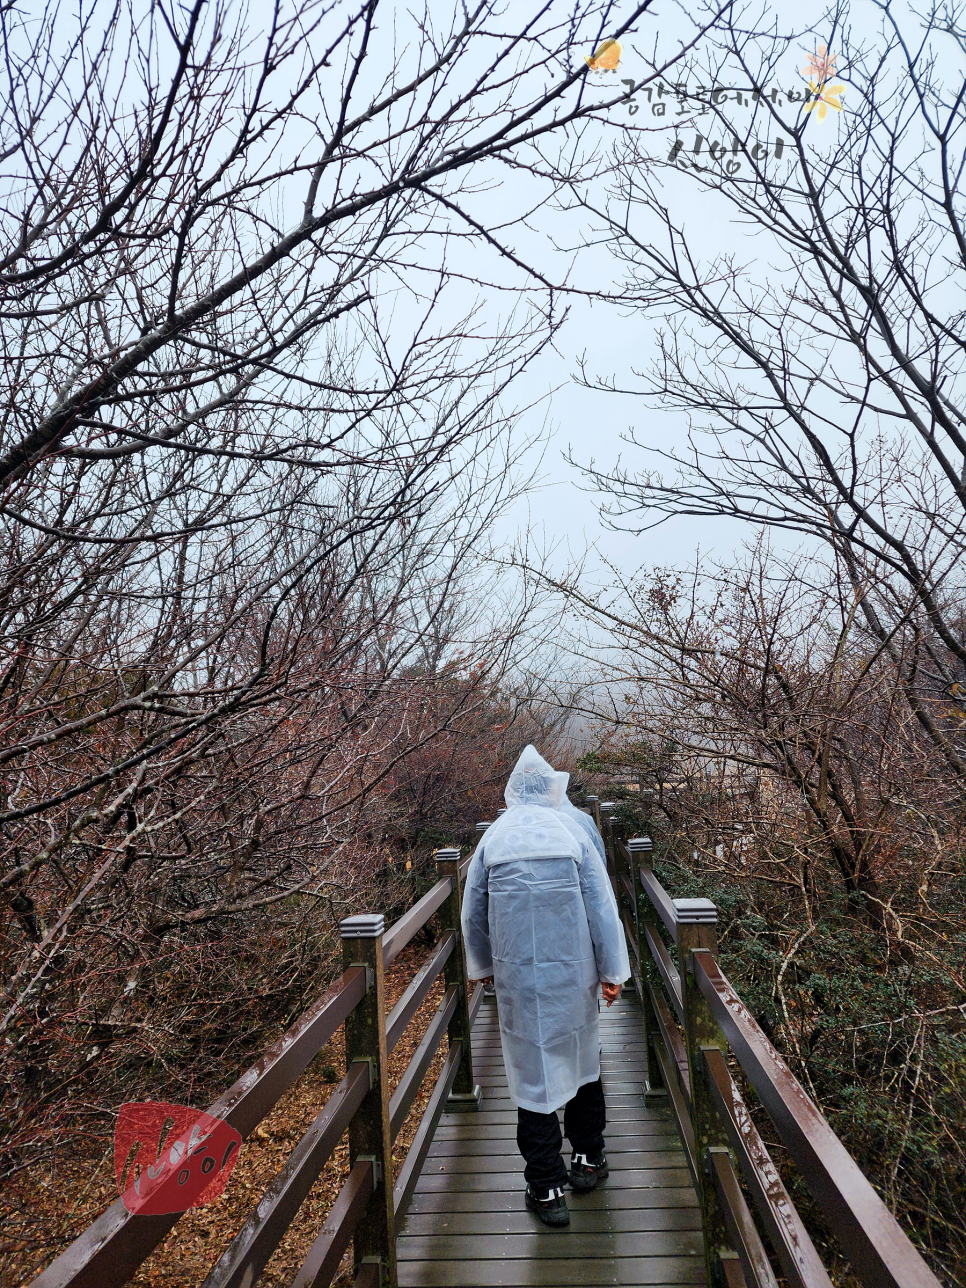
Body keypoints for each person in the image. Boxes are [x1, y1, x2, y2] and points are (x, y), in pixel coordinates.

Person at [461, 746, 630, 1227]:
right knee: (582, 1060)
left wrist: (483, 966)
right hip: (572, 975)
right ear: (553, 787)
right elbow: (603, 908)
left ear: (513, 789)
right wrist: (611, 971)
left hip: (518, 978)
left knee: (531, 1076)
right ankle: (588, 1159)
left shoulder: (494, 838)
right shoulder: (570, 832)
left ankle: (545, 1185)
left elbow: (472, 914)